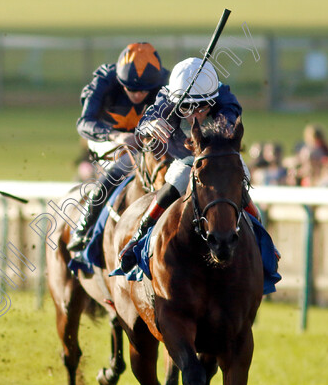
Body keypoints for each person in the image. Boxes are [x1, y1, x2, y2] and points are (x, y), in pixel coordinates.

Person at [119, 57, 261, 271]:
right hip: (184, 160)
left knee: (243, 178)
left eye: (202, 107)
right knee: (178, 179)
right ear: (176, 101)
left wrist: (208, 136)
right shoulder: (167, 101)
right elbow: (143, 123)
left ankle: (262, 238)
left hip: (217, 156)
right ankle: (137, 238)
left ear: (212, 100)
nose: (194, 114)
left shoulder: (224, 98)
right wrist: (151, 125)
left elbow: (230, 122)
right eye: (185, 107)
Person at [67, 43, 168, 251]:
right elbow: (84, 124)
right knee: (121, 166)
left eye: (144, 91)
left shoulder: (164, 83)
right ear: (121, 81)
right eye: (131, 89)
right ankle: (85, 227)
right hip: (106, 138)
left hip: (148, 142)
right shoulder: (105, 81)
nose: (138, 95)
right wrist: (117, 136)